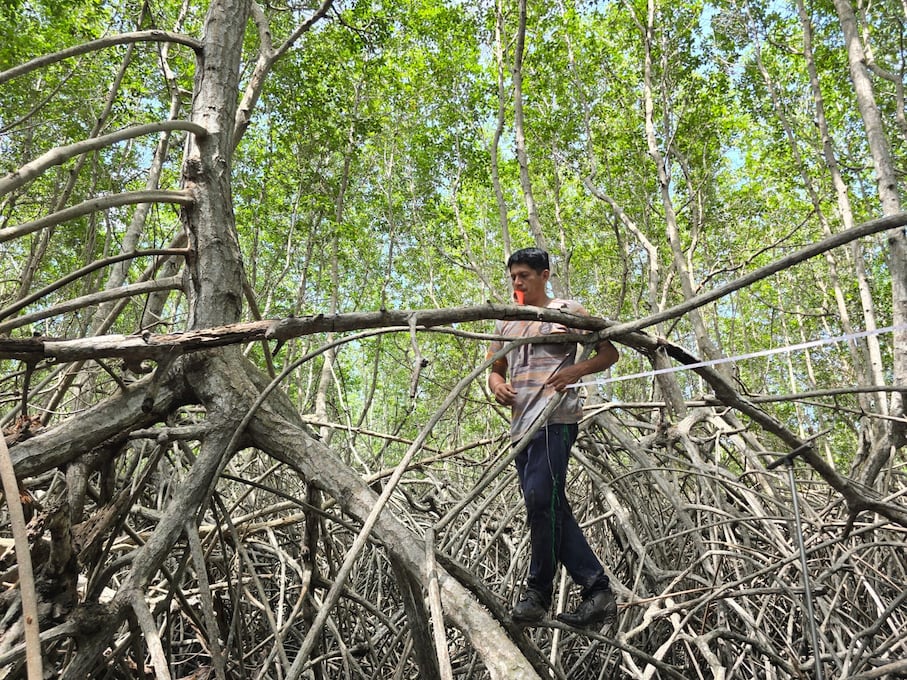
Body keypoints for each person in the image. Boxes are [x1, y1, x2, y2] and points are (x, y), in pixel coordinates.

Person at [487, 247, 619, 627]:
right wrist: (497, 386)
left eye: (525, 275)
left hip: (555, 419)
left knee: (541, 498)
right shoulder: (505, 320)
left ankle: (538, 591)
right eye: (513, 276)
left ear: (544, 275)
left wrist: (575, 371)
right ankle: (597, 591)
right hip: (520, 426)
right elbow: (495, 368)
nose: (517, 282)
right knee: (546, 505)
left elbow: (608, 353)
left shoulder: (568, 311)